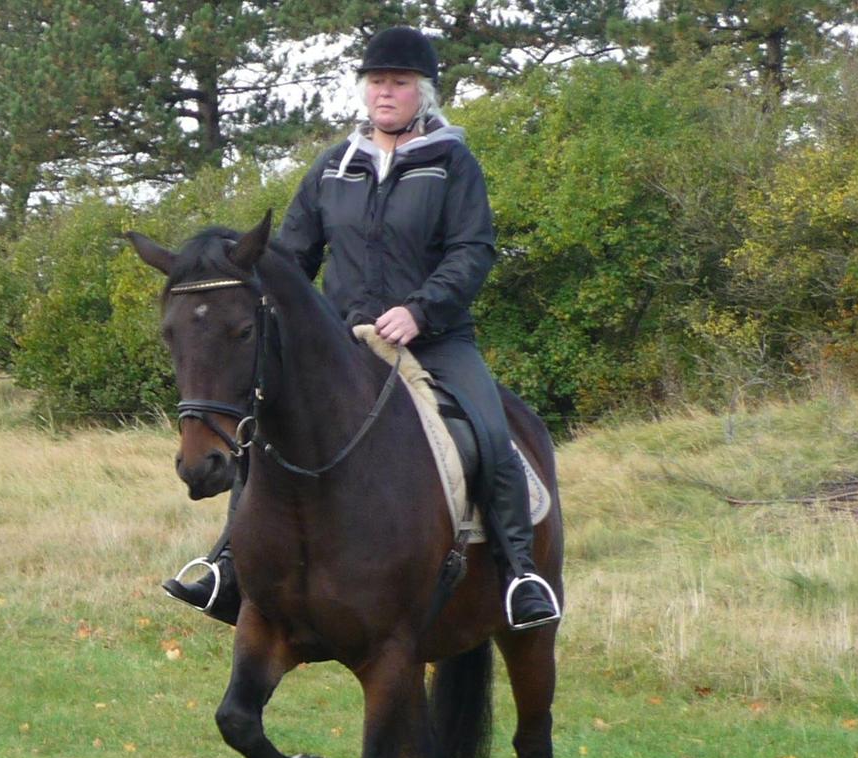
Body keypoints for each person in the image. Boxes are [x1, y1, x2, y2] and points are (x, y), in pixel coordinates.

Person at [163, 26, 561, 631]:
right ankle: (227, 566)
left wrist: (420, 309)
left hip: (435, 339)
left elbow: (472, 251)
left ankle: (520, 574)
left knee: (488, 435)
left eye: (399, 83)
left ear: (423, 92)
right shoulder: (333, 167)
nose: (385, 93)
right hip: (346, 342)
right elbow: (291, 256)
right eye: (376, 82)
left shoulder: (452, 162)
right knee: (265, 432)